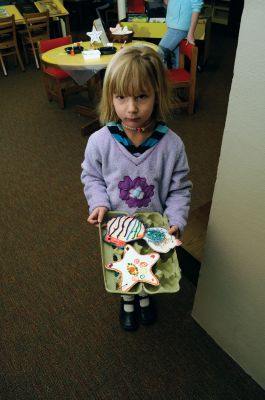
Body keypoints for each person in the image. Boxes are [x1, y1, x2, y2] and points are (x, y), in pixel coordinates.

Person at [81, 46, 192, 331]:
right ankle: (127, 302)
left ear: (157, 95)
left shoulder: (172, 145)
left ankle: (144, 299)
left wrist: (176, 222)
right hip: (116, 228)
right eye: (121, 97)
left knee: (147, 267)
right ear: (110, 97)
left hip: (154, 230)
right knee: (123, 270)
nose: (131, 108)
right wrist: (98, 203)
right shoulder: (99, 142)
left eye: (141, 96)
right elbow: (92, 177)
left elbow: (180, 189)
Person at [159, 0, 204, 68]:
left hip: (179, 28)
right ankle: (175, 76)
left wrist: (191, 33)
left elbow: (197, 7)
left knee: (159, 54)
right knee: (174, 57)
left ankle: (161, 77)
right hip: (172, 25)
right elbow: (168, 2)